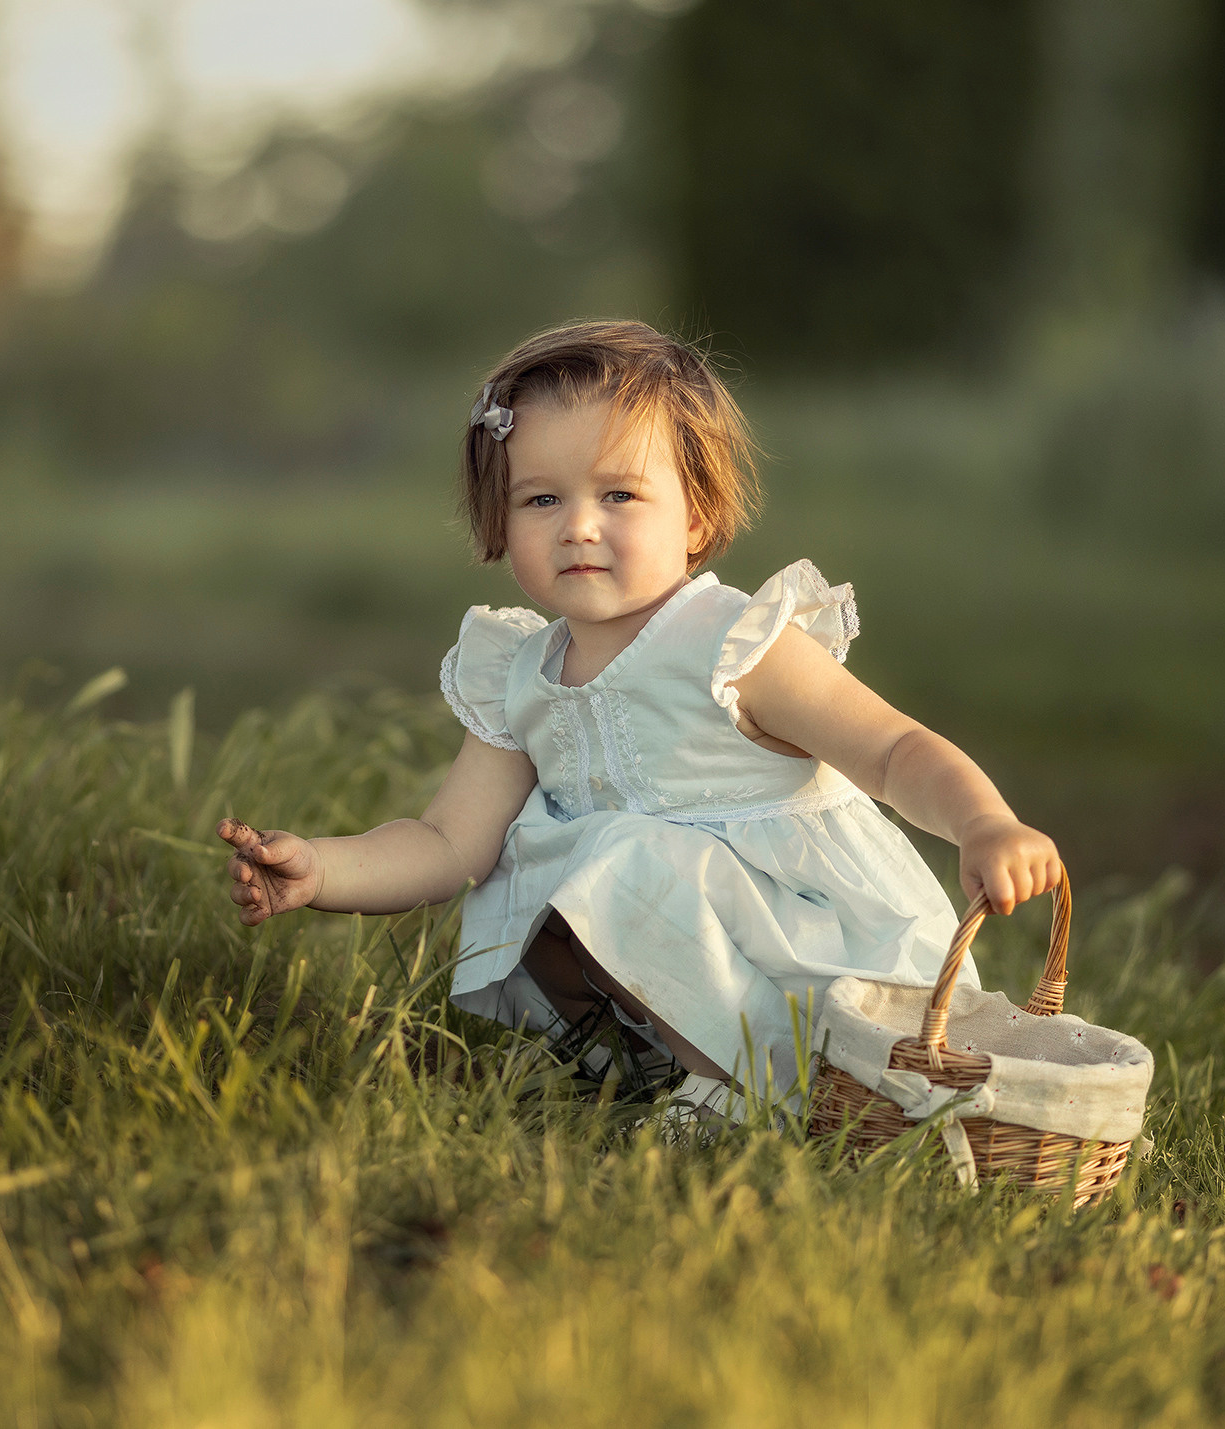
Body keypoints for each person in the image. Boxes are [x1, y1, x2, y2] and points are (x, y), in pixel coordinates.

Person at [217, 320, 1062, 1118]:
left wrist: (983, 821)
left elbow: (892, 749)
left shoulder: (735, 644)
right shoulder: (522, 674)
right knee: (527, 860)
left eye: (619, 493)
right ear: (498, 520)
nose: (579, 526)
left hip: (810, 951)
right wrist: (323, 870)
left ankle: (762, 1089)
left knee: (620, 856)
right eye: (540, 500)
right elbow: (447, 844)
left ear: (694, 514)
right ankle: (648, 1068)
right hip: (688, 933)